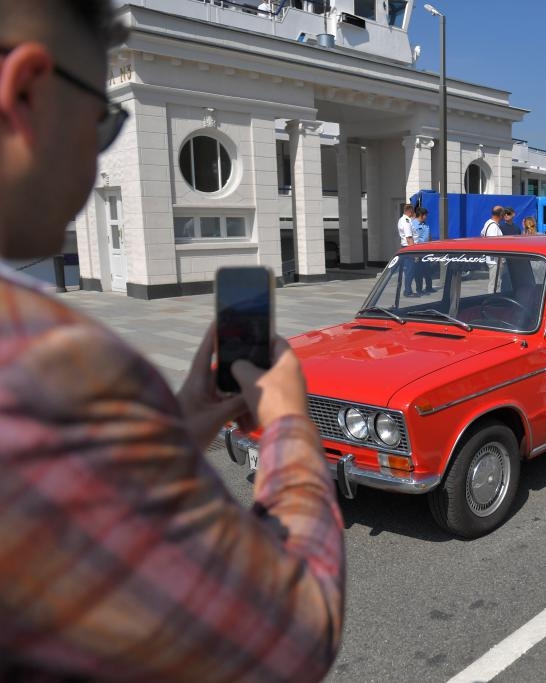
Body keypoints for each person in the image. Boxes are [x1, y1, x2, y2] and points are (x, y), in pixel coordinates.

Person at [0, 2, 344, 680]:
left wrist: (183, 417)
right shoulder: (45, 363)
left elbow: (73, 519)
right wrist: (288, 426)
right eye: (101, 121)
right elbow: (290, 632)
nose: (97, 164)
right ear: (27, 91)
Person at [412, 206, 434, 293]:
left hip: (427, 251)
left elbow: (429, 236)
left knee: (428, 271)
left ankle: (429, 287)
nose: (426, 217)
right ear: (421, 215)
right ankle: (419, 289)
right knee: (418, 272)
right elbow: (412, 239)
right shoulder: (413, 224)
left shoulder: (425, 224)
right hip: (419, 251)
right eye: (425, 215)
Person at [397, 203, 416, 295]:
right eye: (412, 211)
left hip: (406, 247)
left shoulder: (402, 219)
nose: (413, 213)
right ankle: (408, 291)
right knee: (410, 271)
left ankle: (408, 290)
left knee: (409, 270)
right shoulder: (406, 221)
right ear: (410, 211)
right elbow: (409, 237)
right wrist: (414, 253)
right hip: (409, 247)